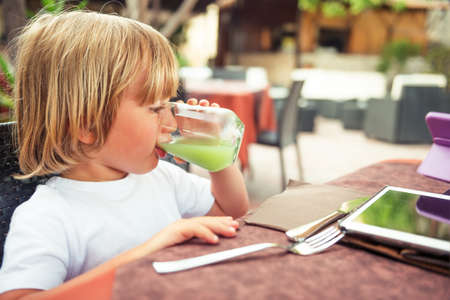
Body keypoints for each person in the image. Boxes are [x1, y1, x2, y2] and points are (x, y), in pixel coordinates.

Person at [0, 11, 249, 299]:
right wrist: (147, 252)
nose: (171, 122)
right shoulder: (49, 215)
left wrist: (216, 157)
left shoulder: (162, 178)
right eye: (156, 109)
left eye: (170, 104)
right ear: (87, 126)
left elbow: (231, 211)